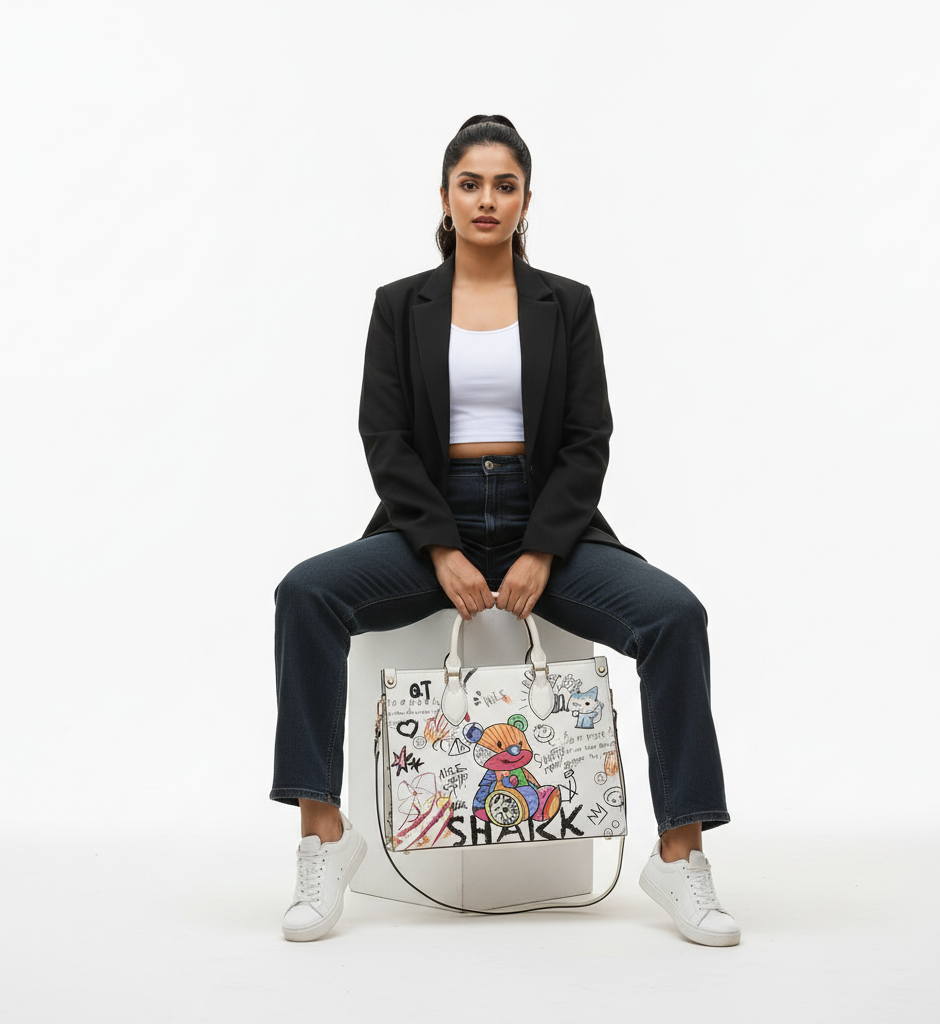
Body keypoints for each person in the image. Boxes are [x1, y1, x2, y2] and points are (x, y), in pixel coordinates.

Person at [271, 115, 740, 947]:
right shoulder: (398, 305)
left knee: (676, 617)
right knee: (305, 595)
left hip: (546, 519)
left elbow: (588, 438)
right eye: (471, 183)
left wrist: (542, 549)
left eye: (506, 184)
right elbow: (385, 438)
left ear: (526, 200)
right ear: (446, 197)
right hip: (431, 520)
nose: (488, 199)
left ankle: (680, 855)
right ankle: (324, 837)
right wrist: (441, 547)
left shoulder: (568, 304)